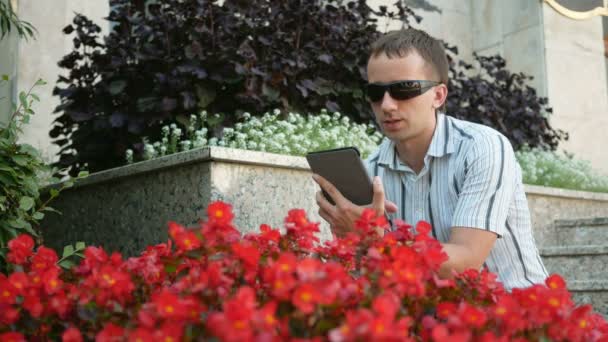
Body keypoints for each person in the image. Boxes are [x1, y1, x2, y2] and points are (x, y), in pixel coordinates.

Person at [312, 28, 548, 290]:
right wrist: (349, 237)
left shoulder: (482, 147)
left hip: (516, 312)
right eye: (376, 93)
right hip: (431, 319)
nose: (387, 105)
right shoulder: (372, 170)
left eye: (404, 89)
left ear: (438, 96)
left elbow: (467, 261)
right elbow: (372, 274)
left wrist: (375, 240)